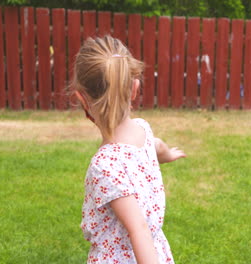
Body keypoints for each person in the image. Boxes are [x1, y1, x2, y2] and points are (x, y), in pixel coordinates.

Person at [72, 35, 186, 264]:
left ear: (82, 99)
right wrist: (168, 154)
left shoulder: (104, 165)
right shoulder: (143, 131)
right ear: (134, 89)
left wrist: (164, 153)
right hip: (155, 251)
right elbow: (156, 146)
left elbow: (138, 230)